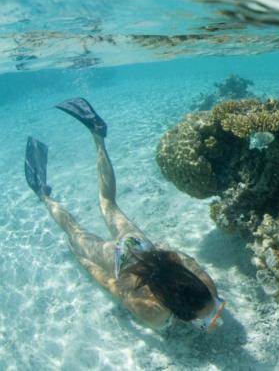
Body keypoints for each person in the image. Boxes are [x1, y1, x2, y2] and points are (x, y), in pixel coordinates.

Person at [25, 98, 225, 332]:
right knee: (74, 232)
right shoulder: (153, 314)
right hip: (121, 262)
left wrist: (162, 254)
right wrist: (83, 259)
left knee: (108, 202)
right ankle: (43, 195)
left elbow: (185, 259)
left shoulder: (207, 288)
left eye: (212, 311)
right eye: (207, 316)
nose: (213, 315)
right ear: (175, 310)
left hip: (143, 249)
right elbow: (111, 284)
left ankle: (98, 136)